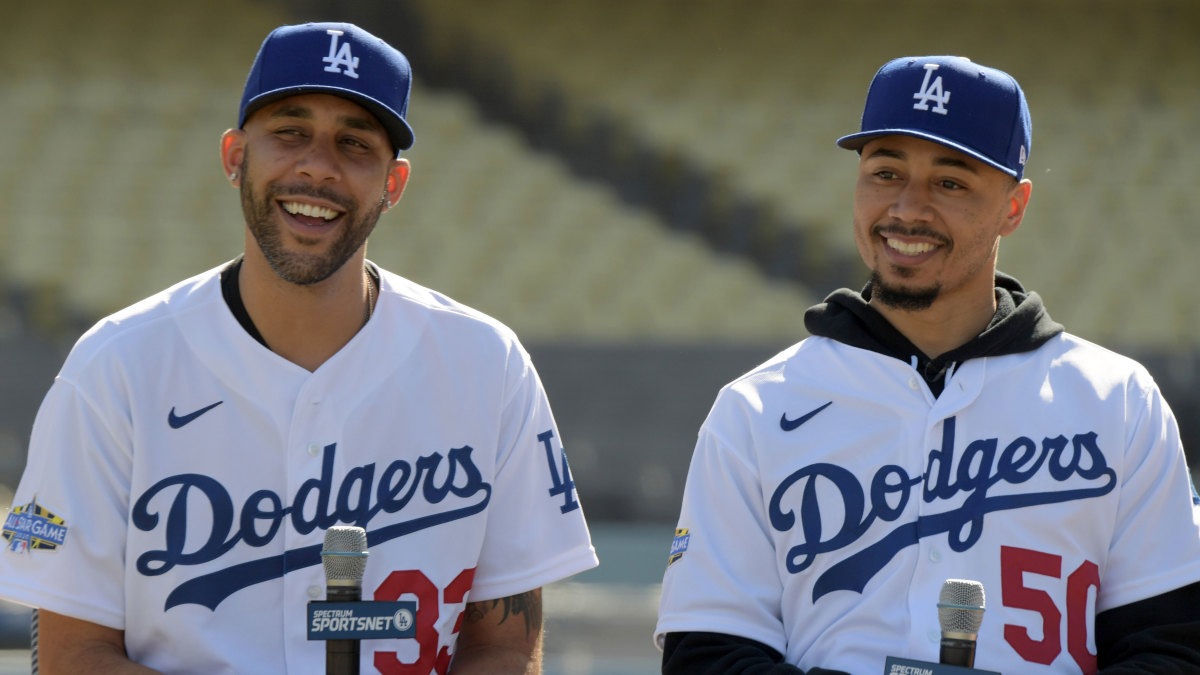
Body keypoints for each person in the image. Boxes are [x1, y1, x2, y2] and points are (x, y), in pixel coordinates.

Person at [0, 22, 597, 674]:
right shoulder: (114, 367)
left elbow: (505, 648)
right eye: (290, 132)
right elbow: (71, 658)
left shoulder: (488, 366)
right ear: (234, 157)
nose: (318, 166)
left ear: (394, 185)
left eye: (354, 143)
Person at [654, 55, 1200, 674]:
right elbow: (706, 654)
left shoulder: (1117, 401)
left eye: (950, 183)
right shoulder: (755, 409)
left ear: (1013, 206)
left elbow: (1174, 647)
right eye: (885, 173)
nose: (908, 209)